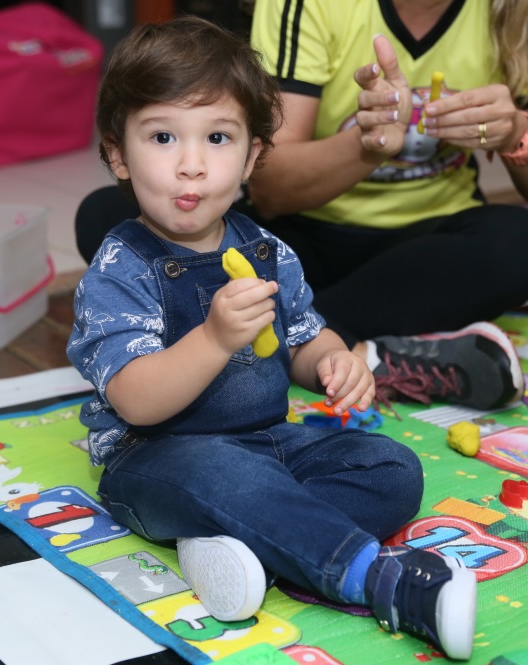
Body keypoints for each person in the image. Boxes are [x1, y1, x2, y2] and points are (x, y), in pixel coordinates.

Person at [67, 16, 477, 660]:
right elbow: (137, 402)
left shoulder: (268, 251)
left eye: (219, 137)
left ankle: (237, 542)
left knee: (391, 469)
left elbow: (306, 338)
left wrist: (333, 362)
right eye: (163, 136)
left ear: (254, 154)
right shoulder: (121, 268)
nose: (192, 164)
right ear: (118, 153)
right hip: (157, 458)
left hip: (267, 443)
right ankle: (379, 579)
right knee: (219, 473)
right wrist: (213, 337)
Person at [76, 0, 528, 413]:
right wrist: (365, 145)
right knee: (116, 220)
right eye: (164, 137)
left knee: (523, 239)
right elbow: (269, 186)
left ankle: (301, 342)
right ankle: (356, 352)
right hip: (296, 239)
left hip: (419, 255)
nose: (189, 162)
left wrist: (520, 131)